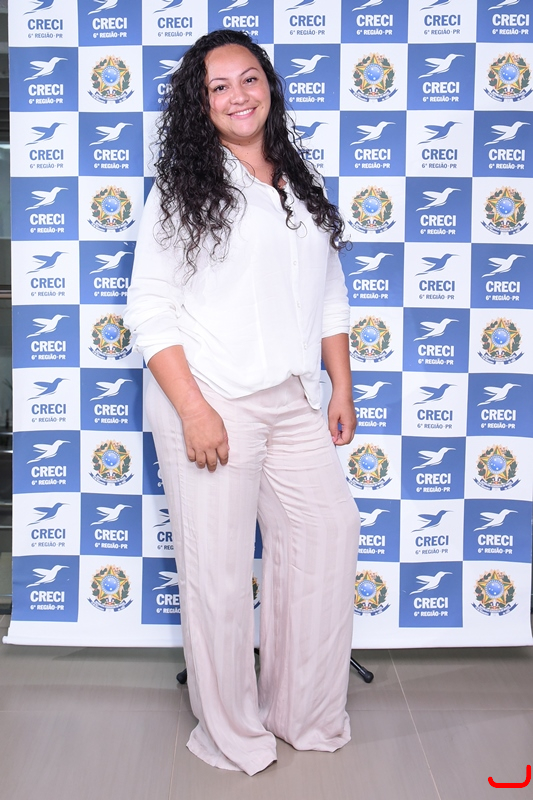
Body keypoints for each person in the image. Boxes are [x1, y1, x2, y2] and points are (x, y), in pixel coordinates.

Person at [125, 29, 360, 776]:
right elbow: (150, 309)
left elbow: (327, 290)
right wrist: (194, 411)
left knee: (328, 535)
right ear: (200, 104)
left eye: (248, 78)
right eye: (218, 86)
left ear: (269, 86)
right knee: (219, 572)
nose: (237, 95)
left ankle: (304, 713)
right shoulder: (182, 190)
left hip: (293, 396)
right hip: (210, 395)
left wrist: (340, 384)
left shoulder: (296, 178)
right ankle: (231, 731)